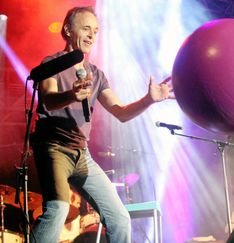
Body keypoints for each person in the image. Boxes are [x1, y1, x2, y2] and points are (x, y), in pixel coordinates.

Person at [30, 6, 173, 243]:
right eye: (86, 28)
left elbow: (122, 113)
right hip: (54, 148)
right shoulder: (51, 63)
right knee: (57, 210)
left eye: (95, 31)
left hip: (81, 154)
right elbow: (48, 98)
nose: (91, 35)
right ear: (67, 30)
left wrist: (149, 100)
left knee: (119, 218)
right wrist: (71, 95)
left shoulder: (96, 74)